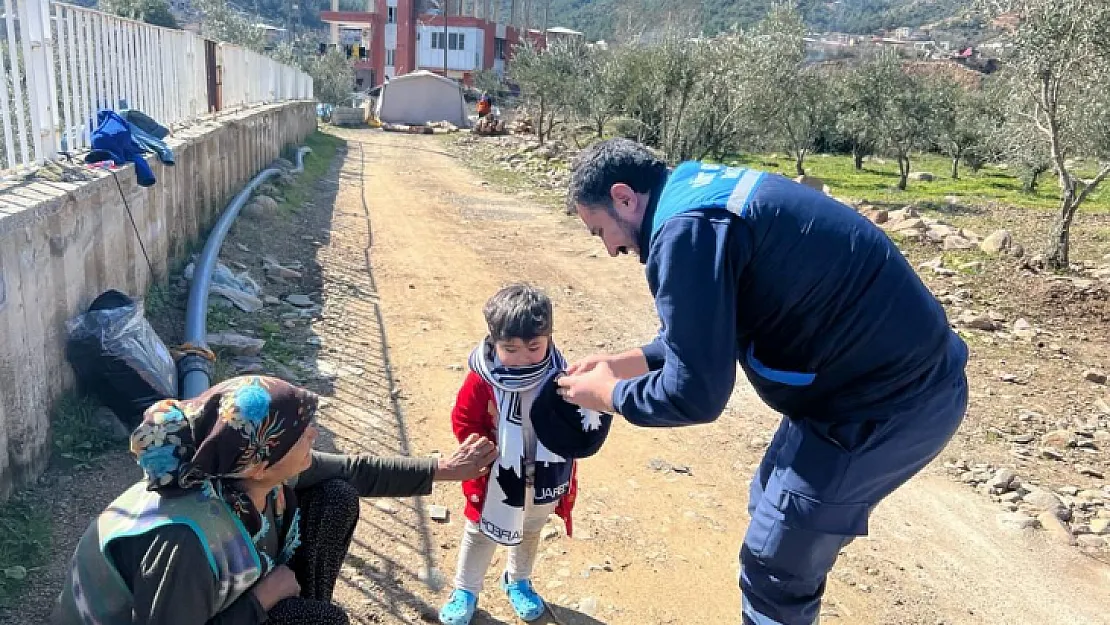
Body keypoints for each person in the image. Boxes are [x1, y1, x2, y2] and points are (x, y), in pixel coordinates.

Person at [555, 138, 969, 625]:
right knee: (770, 506)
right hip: (857, 385)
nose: (610, 249)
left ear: (624, 197)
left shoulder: (684, 231)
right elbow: (708, 327)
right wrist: (624, 362)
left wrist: (609, 396)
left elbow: (696, 395)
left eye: (599, 229)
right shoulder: (693, 193)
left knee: (775, 565)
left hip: (885, 402)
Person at [50, 375, 497, 625]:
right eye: (302, 434)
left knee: (335, 498)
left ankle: (301, 607)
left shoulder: (247, 469)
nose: (314, 436)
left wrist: (443, 470)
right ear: (261, 463)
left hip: (223, 601)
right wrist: (263, 599)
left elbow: (352, 469)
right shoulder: (184, 541)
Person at [439, 284, 599, 625]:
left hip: (545, 475)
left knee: (531, 529)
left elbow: (580, 418)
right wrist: (481, 451)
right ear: (493, 342)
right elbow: (464, 419)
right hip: (494, 477)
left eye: (533, 347)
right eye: (510, 349)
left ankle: (518, 580)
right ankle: (465, 590)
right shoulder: (483, 379)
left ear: (549, 338)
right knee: (480, 532)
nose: (523, 358)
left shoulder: (562, 375)